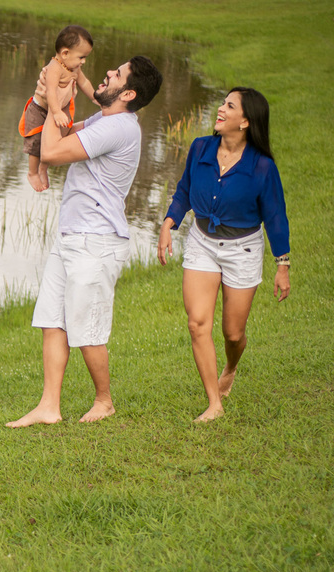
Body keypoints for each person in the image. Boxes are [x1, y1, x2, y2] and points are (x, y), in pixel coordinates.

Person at [7, 56, 163, 428]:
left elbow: (54, 151)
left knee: (86, 330)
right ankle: (49, 406)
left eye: (116, 74)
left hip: (95, 242)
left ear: (128, 92)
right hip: (72, 235)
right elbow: (83, 110)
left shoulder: (119, 128)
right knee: (52, 320)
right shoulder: (107, 118)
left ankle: (104, 401)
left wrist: (53, 105)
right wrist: (68, 72)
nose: (107, 73)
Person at [156, 88, 290, 422]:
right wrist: (168, 223)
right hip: (202, 242)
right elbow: (185, 189)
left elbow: (275, 216)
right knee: (197, 323)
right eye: (222, 103)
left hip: (242, 249)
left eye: (229, 106)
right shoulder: (201, 147)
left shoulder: (261, 167)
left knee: (233, 332)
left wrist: (282, 264)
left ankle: (231, 366)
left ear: (245, 121)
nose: (220, 109)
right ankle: (214, 403)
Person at [19, 25, 97, 192]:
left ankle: (43, 168)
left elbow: (83, 82)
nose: (83, 61)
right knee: (36, 142)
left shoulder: (74, 67)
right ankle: (33, 172)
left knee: (53, 142)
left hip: (59, 110)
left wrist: (95, 97)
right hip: (40, 109)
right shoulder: (54, 68)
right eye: (81, 57)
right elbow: (51, 92)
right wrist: (55, 112)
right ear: (65, 53)